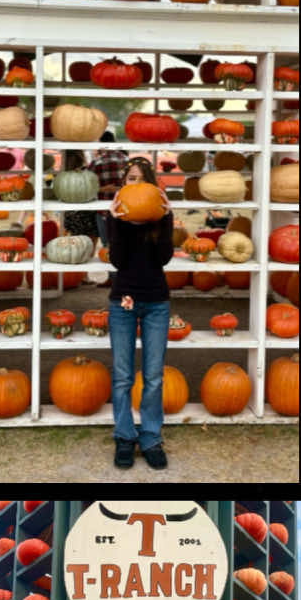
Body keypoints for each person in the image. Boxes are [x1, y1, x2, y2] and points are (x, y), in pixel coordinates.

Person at [106, 159, 175, 469]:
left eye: (138, 180)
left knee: (154, 377)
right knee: (121, 376)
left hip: (156, 303)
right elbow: (118, 261)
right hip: (123, 301)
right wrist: (115, 220)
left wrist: (167, 215)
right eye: (128, 179)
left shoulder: (159, 219)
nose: (132, 185)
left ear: (150, 185)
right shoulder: (117, 218)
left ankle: (150, 437)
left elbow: (163, 258)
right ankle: (124, 436)